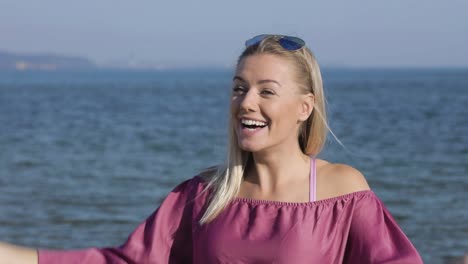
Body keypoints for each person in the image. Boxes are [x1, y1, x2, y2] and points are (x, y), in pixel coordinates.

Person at [0, 34, 423, 263]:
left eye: (266, 91)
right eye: (239, 88)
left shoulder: (341, 190)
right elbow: (123, 262)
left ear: (304, 107)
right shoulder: (204, 195)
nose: (247, 102)